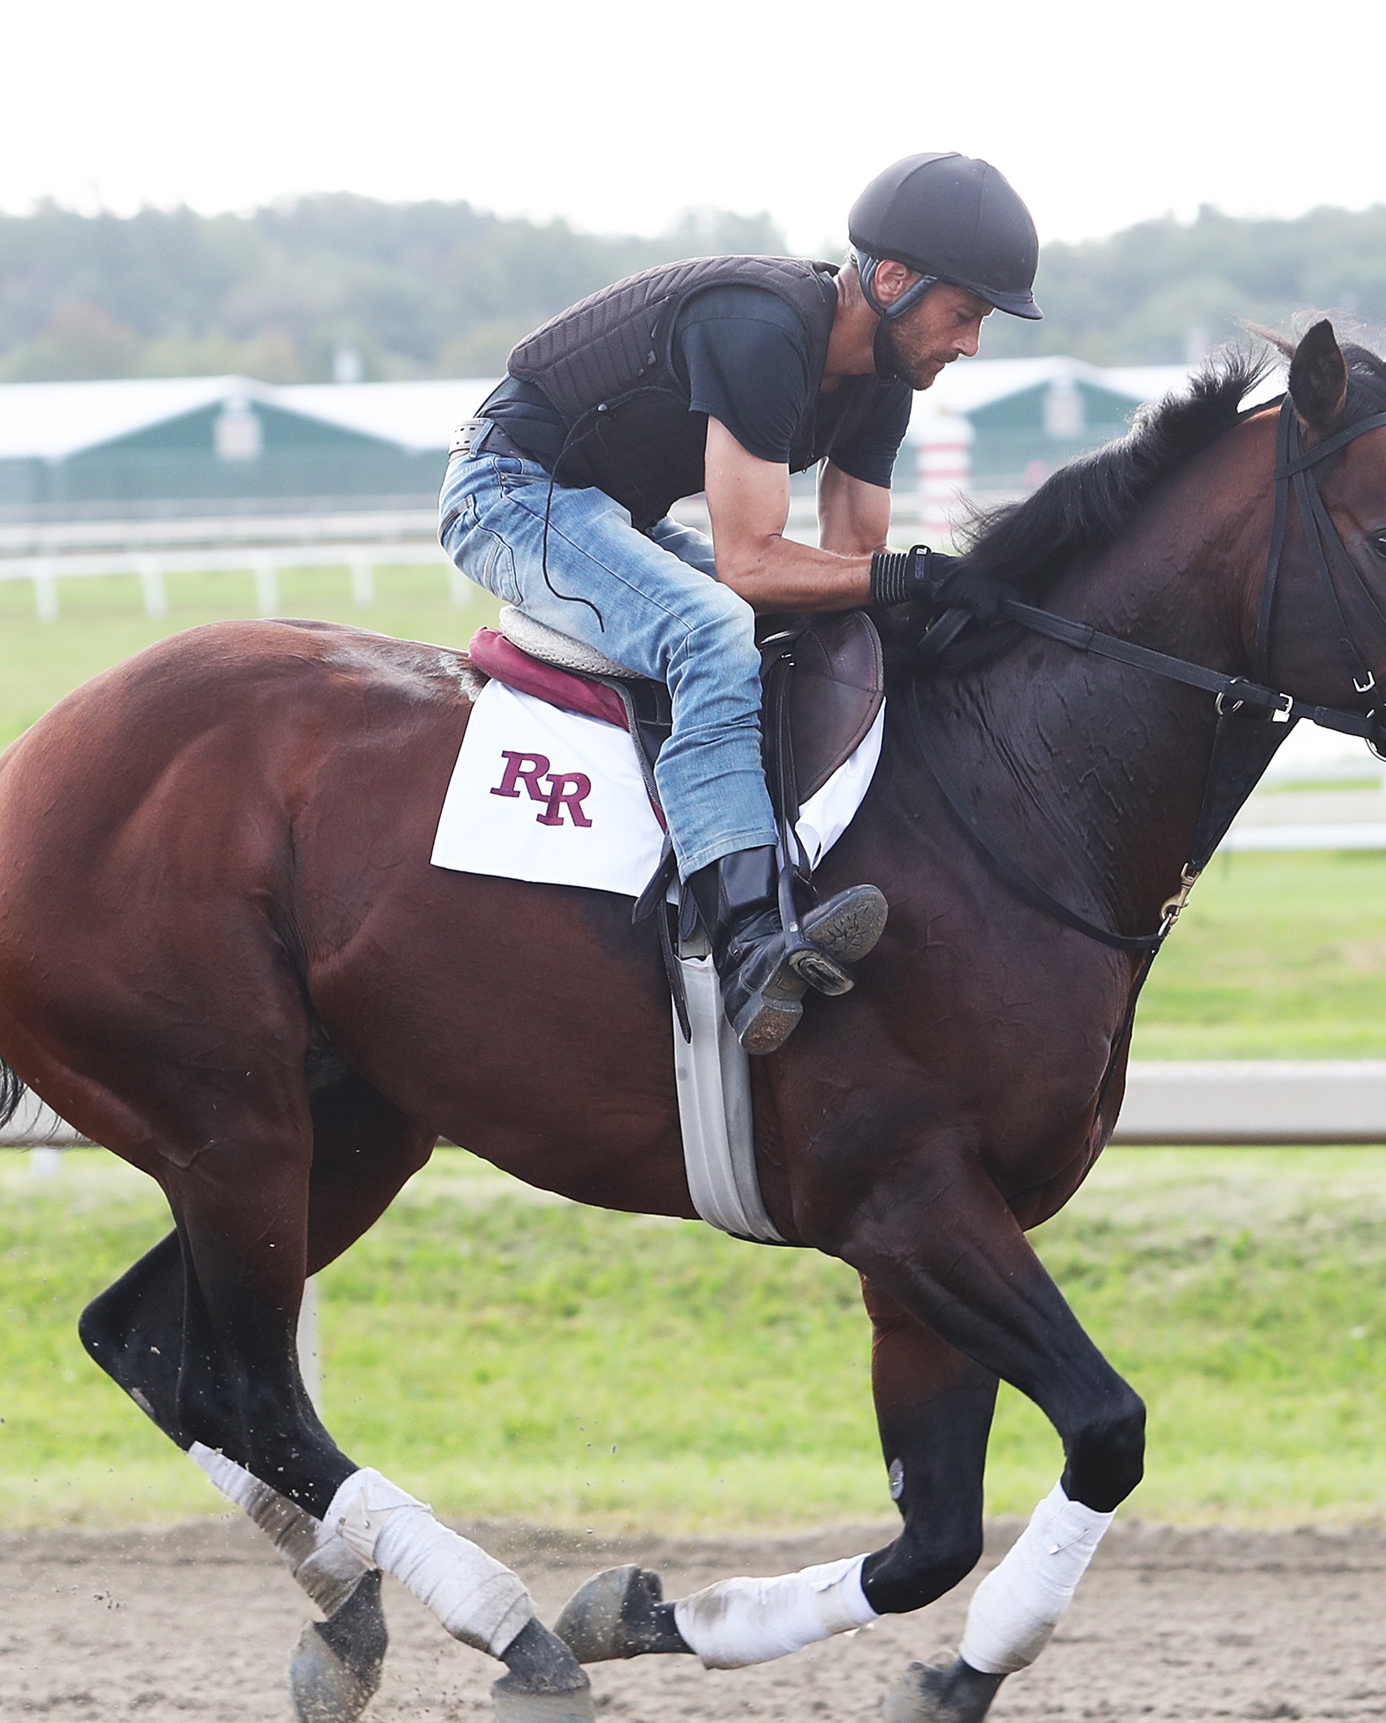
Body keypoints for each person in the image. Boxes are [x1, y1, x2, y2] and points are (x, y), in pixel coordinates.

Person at [441, 151, 1040, 1053]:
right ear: (890, 280)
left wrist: (936, 607)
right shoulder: (763, 329)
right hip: (508, 493)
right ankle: (746, 935)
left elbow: (853, 564)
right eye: (964, 314)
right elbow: (752, 565)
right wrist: (910, 576)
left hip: (604, 513)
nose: (970, 343)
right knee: (712, 628)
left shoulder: (883, 381)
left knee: (817, 630)